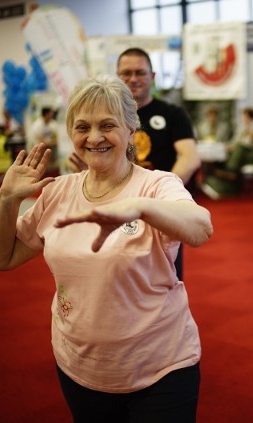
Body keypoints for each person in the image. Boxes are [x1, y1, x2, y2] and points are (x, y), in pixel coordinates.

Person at [0, 74, 213, 423]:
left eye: (107, 125)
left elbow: (201, 228)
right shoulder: (58, 191)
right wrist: (6, 199)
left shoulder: (157, 185)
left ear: (130, 129)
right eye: (82, 127)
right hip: (79, 367)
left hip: (160, 367)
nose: (93, 137)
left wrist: (139, 208)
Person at [69, 47, 200, 281]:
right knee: (110, 274)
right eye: (126, 73)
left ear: (153, 77)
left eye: (140, 73)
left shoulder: (172, 114)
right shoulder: (102, 116)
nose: (133, 79)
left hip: (160, 211)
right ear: (117, 76)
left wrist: (160, 195)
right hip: (112, 207)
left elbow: (189, 158)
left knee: (165, 277)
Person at [27, 106, 59, 173]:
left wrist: (52, 142)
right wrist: (52, 142)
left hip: (50, 149)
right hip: (38, 150)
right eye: (51, 113)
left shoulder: (53, 124)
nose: (53, 114)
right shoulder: (36, 125)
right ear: (46, 114)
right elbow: (41, 141)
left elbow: (57, 138)